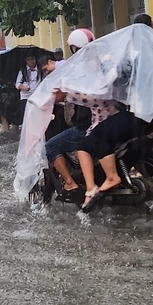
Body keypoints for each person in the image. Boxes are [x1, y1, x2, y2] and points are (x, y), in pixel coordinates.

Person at [43, 30, 95, 194]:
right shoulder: (96, 61)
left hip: (86, 125)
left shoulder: (77, 67)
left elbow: (60, 93)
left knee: (50, 147)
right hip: (105, 120)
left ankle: (70, 182)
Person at [15, 54, 44, 130]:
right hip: (25, 96)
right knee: (26, 115)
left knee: (37, 115)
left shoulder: (40, 70)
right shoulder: (23, 71)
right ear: (26, 61)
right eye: (29, 59)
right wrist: (23, 87)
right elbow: (17, 84)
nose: (31, 61)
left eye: (33, 59)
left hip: (37, 96)